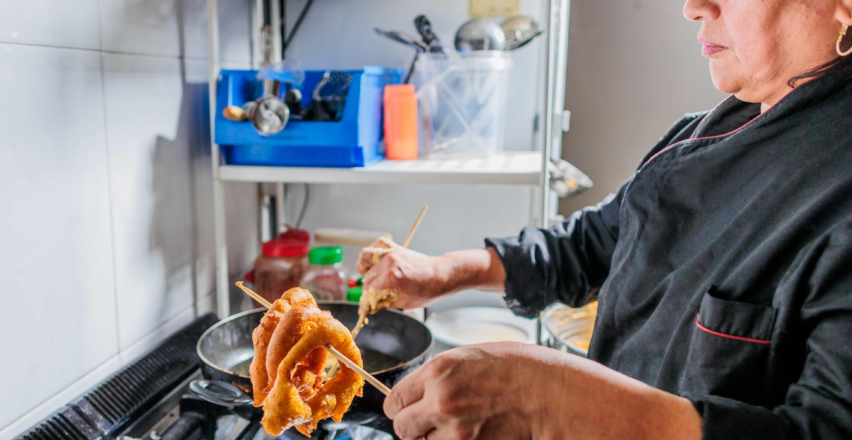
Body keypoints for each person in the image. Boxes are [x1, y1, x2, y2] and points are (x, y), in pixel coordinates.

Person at [359, 1, 852, 438]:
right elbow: (590, 244)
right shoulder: (706, 131)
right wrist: (443, 272)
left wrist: (554, 399)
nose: (694, 7)